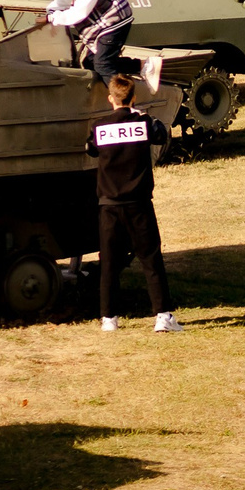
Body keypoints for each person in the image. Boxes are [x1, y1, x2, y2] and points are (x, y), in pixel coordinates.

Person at [88, 73, 182, 334]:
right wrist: (143, 116)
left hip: (108, 204)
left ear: (111, 99)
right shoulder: (143, 124)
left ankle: (109, 318)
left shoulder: (100, 127)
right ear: (134, 97)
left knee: (108, 262)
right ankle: (163, 316)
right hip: (139, 203)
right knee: (151, 259)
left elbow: (90, 149)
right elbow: (161, 135)